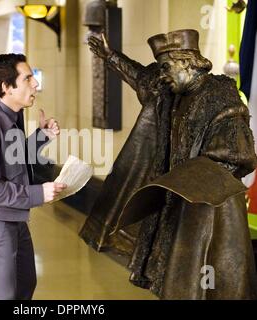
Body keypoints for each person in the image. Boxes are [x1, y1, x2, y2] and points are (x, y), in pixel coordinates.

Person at [79, 29, 257, 299]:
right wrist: (110, 56)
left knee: (199, 278)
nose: (162, 75)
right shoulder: (168, 92)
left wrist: (194, 178)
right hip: (172, 201)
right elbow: (140, 76)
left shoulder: (221, 97)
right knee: (171, 274)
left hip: (207, 209)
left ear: (186, 63)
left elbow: (238, 155)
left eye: (166, 67)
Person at [0, 53, 67, 300]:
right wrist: (37, 193)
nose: (36, 84)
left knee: (24, 283)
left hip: (13, 213)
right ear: (6, 87)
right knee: (2, 293)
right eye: (28, 78)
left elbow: (12, 159)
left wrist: (42, 136)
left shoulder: (11, 116)